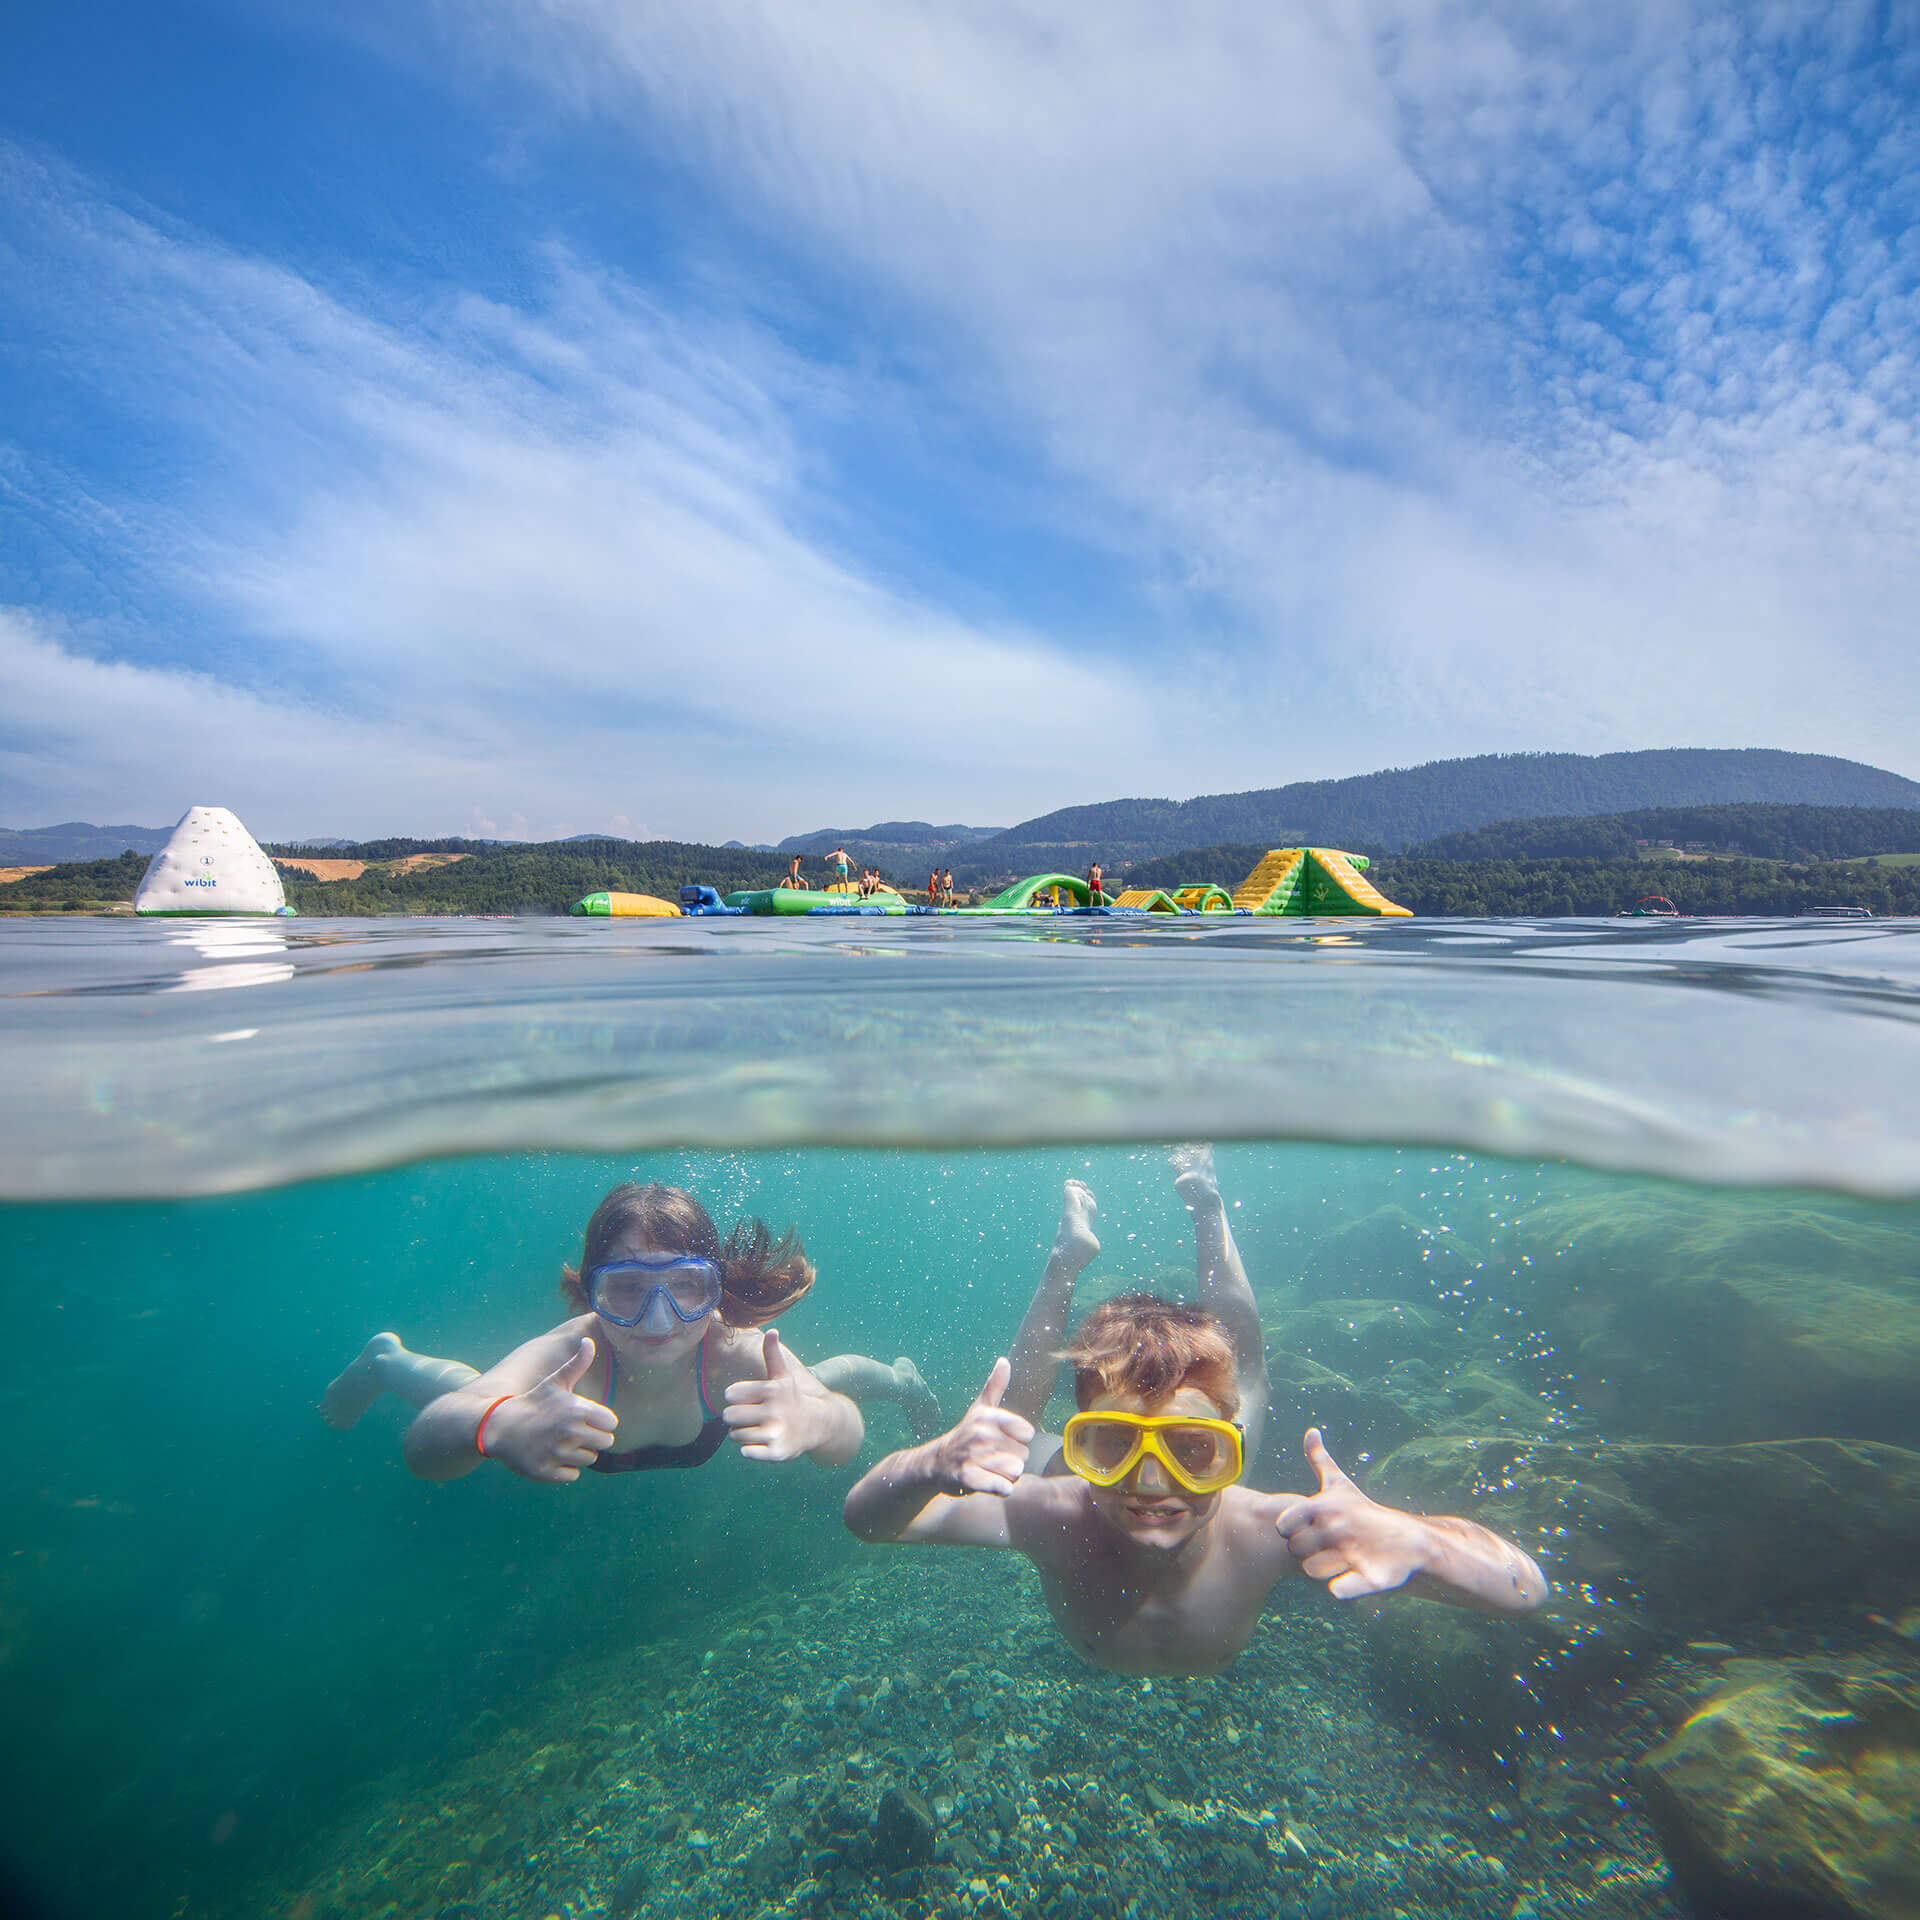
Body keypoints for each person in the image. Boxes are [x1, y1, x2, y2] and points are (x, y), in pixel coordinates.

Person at [844, 1160, 1547, 1675]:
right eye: (1112, 1445)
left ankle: (1208, 1208)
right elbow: (870, 1523)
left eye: (1194, 1448)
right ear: (1083, 1443)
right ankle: (1065, 1262)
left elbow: (1523, 1590)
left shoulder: (1274, 1531)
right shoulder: (1052, 1513)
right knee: (1013, 1427)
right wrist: (928, 1462)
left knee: (1246, 1372)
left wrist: (1419, 1542)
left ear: (1230, 1447)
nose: (1152, 1483)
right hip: (1071, 1482)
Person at [323, 1183, 941, 1483]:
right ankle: (386, 1360)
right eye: (625, 1290)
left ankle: (901, 1379)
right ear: (590, 1293)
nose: (658, 1321)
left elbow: (844, 1441)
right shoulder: (575, 1350)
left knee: (823, 1384)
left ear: (716, 1291)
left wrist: (818, 1423)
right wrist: (500, 1425)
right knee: (471, 1392)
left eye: (686, 1288)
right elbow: (425, 1448)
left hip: (720, 1415)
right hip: (587, 1416)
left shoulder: (734, 1352)